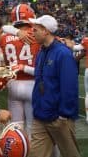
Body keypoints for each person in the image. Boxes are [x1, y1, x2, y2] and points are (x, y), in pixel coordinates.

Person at [28, 15, 80, 157]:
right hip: (41, 115)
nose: (33, 32)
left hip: (58, 117)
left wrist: (63, 115)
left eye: (36, 29)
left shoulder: (63, 54)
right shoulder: (41, 52)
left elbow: (69, 87)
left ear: (45, 31)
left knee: (70, 154)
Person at [0, 4, 40, 137]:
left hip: (13, 84)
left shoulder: (4, 36)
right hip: (32, 83)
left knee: (16, 128)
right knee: (32, 128)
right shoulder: (36, 34)